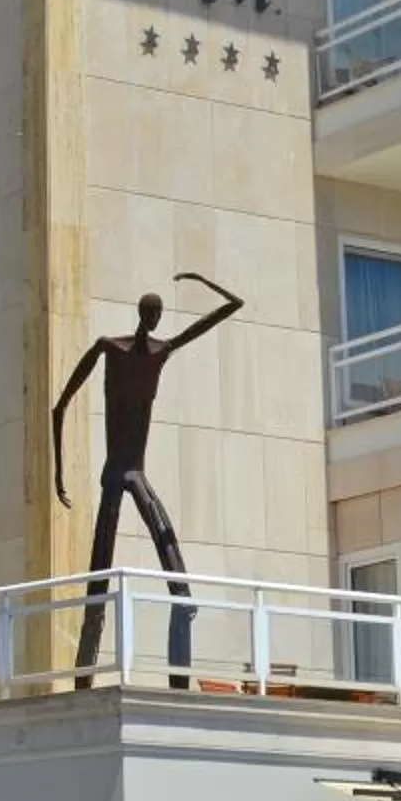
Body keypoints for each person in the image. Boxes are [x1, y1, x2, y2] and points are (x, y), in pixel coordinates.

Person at [52, 270, 242, 681]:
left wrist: (199, 279)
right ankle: (84, 680)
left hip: (135, 474)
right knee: (97, 585)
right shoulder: (110, 348)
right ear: (146, 313)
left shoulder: (162, 350)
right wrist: (57, 474)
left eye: (158, 313)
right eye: (154, 312)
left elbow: (233, 306)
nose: (156, 319)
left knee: (178, 579)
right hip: (116, 474)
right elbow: (60, 406)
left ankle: (178, 681)